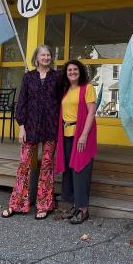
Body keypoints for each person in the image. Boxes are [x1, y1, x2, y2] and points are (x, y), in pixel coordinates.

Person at [3, 45, 59, 220]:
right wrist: (21, 126)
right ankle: (17, 203)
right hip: (30, 127)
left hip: (51, 127)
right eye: (43, 55)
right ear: (37, 57)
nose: (46, 57)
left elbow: (63, 100)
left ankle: (44, 204)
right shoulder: (28, 77)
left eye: (48, 55)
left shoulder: (57, 77)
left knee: (47, 165)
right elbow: (22, 103)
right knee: (24, 165)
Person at [55, 59, 98, 225]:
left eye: (75, 69)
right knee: (70, 170)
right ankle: (75, 205)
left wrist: (84, 135)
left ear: (80, 71)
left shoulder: (87, 88)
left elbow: (91, 112)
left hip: (81, 134)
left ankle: (83, 209)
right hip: (66, 134)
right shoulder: (66, 90)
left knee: (81, 170)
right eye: (69, 70)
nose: (72, 72)